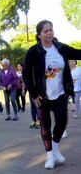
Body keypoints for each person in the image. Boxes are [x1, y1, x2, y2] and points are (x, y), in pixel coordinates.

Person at [23, 20, 81, 169]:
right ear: (39, 34)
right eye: (45, 31)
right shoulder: (33, 51)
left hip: (60, 93)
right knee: (45, 125)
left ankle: (55, 149)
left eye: (51, 30)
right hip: (42, 96)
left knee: (62, 121)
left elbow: (77, 53)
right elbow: (26, 74)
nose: (49, 33)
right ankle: (50, 156)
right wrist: (34, 94)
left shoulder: (60, 48)